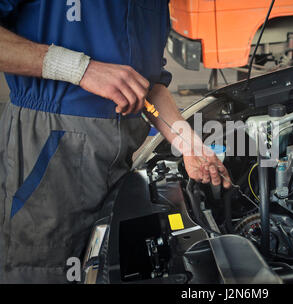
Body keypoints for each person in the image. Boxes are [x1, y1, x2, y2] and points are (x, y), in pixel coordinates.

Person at [0, 0, 230, 283]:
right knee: (44, 272)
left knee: (107, 269)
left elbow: (148, 88)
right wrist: (79, 69)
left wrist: (188, 144)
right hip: (51, 148)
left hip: (121, 160)